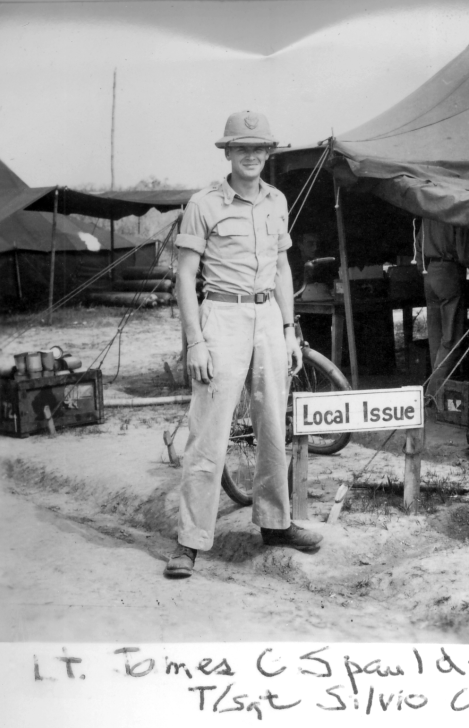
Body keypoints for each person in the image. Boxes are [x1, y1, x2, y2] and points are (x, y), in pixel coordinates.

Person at [165, 110, 323, 578]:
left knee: (274, 423)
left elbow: (281, 266)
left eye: (259, 148)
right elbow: (185, 275)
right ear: (227, 152)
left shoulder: (277, 200)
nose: (251, 156)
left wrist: (290, 328)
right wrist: (195, 342)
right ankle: (191, 540)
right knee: (209, 433)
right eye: (242, 148)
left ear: (268, 153)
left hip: (268, 318)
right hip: (222, 316)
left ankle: (276, 523)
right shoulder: (204, 203)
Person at [416, 218, 469, 406]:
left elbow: (418, 248)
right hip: (449, 272)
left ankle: (436, 391)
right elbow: (465, 255)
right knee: (451, 339)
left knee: (436, 338)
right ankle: (432, 393)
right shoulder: (454, 214)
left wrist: (425, 269)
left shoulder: (428, 215)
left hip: (429, 273)